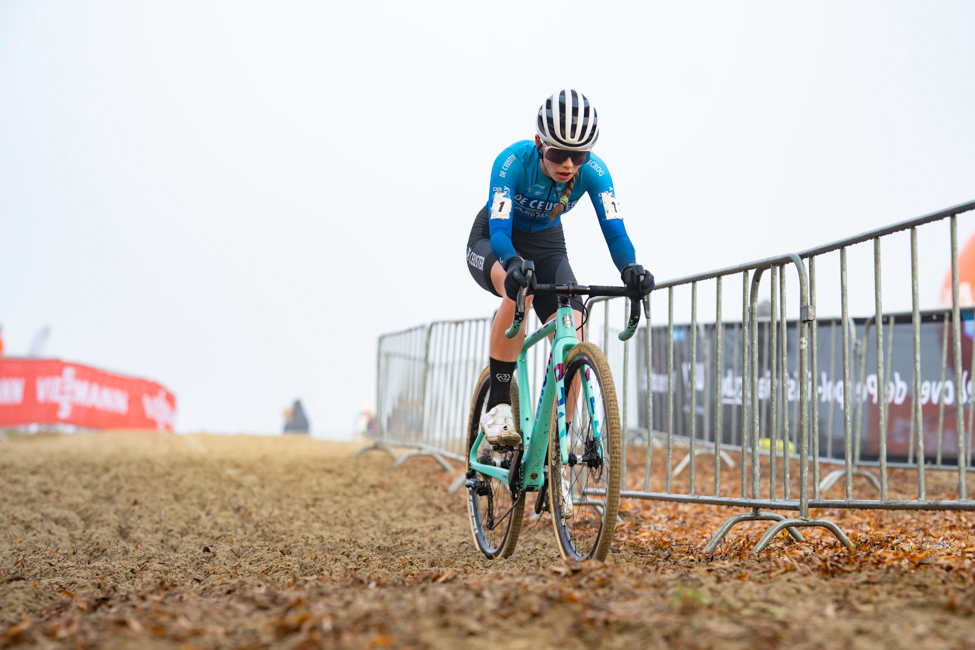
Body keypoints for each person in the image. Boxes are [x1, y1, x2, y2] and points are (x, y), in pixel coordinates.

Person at [466, 89, 655, 452]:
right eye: (558, 154)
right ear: (540, 143)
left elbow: (614, 229)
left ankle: (560, 433)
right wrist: (513, 263)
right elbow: (501, 229)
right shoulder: (512, 162)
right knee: (517, 287)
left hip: (548, 243)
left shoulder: (595, 173)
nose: (568, 164)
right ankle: (499, 404)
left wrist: (630, 267)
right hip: (496, 239)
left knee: (574, 320)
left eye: (578, 155)